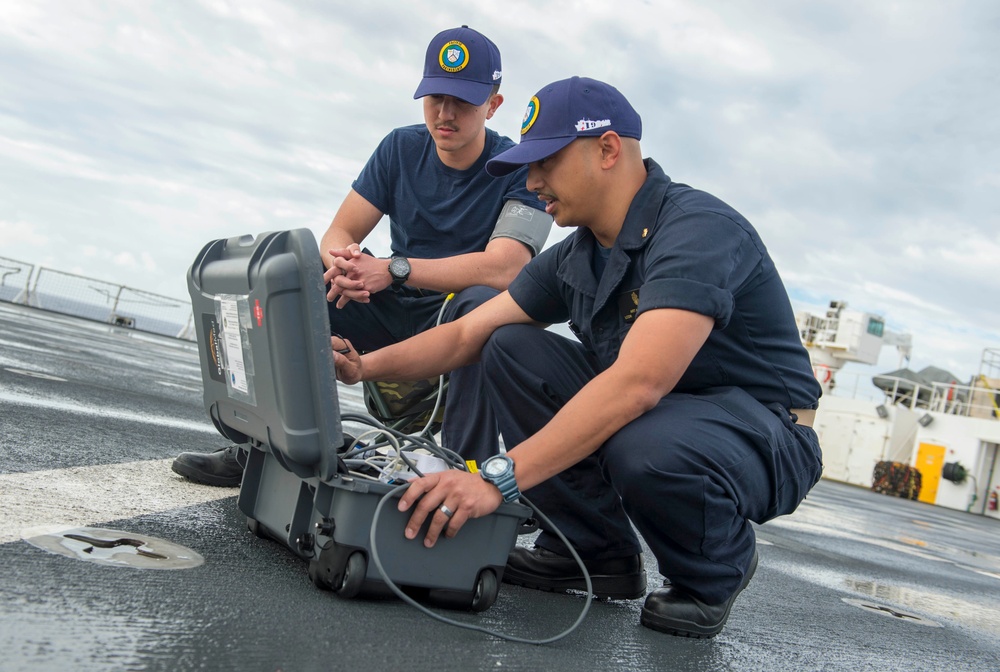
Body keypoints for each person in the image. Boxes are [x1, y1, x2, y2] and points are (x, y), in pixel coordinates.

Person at [333, 77, 823, 638]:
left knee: (647, 444)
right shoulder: (578, 254)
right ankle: (593, 553)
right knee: (508, 345)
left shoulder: (696, 230)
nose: (532, 180)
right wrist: (363, 366)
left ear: (608, 149)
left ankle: (713, 570)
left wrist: (496, 478)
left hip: (760, 430)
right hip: (663, 412)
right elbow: (467, 335)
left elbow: (639, 383)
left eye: (546, 161)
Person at [172, 26, 552, 486]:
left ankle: (462, 470)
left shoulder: (516, 169)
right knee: (303, 291)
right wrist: (344, 264)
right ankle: (261, 447)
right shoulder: (400, 147)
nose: (446, 114)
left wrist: (393, 270)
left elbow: (507, 267)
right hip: (394, 307)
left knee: (484, 304)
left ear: (494, 104)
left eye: (464, 102)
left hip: (457, 316)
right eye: (435, 98)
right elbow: (341, 230)